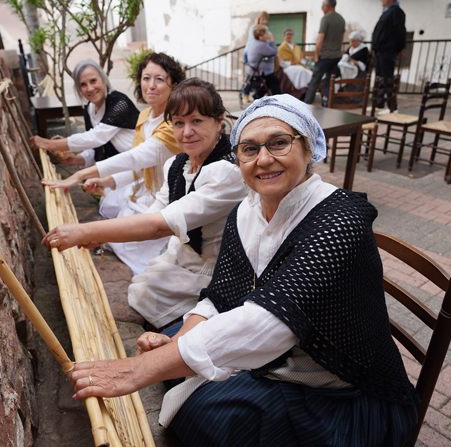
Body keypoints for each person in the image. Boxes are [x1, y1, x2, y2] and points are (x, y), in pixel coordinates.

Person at [67, 95, 420, 447]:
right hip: (284, 357)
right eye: (249, 149)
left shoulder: (340, 221)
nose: (263, 159)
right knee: (174, 350)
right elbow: (222, 294)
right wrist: (176, 342)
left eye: (279, 143)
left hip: (340, 390)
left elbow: (270, 324)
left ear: (309, 148)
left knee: (201, 411)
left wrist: (138, 371)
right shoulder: (246, 211)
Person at [42, 78, 248, 330]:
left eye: (197, 121)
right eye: (179, 123)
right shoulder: (177, 164)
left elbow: (159, 225)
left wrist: (87, 231)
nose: (186, 132)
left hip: (214, 267)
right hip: (181, 254)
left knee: (147, 299)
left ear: (218, 121)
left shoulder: (226, 172)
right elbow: (156, 211)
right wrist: (103, 235)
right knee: (141, 289)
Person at [43, 52, 185, 275]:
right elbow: (140, 168)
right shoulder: (145, 116)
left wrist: (80, 174)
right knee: (112, 209)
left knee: (141, 249)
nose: (151, 85)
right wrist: (108, 181)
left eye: (159, 79)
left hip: (166, 196)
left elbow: (134, 157)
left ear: (174, 85)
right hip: (144, 190)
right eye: (146, 78)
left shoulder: (173, 122)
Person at [29, 59, 140, 219]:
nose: (90, 88)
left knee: (123, 211)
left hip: (135, 168)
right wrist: (77, 160)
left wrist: (49, 144)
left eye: (93, 81)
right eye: (83, 84)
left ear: (103, 78)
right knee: (109, 208)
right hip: (114, 171)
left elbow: (97, 137)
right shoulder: (90, 109)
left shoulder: (119, 103)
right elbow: (96, 148)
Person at [304, 0, 346, 105]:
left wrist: (316, 56)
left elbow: (320, 39)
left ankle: (306, 105)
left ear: (327, 6)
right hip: (336, 55)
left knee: (314, 81)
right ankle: (328, 104)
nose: (322, 8)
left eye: (322, 6)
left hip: (325, 56)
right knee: (330, 82)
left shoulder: (326, 19)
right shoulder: (341, 19)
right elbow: (341, 39)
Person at [372, 0, 406, 107]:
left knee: (387, 78)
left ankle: (392, 106)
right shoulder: (387, 12)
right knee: (380, 78)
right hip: (381, 50)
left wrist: (400, 47)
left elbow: (400, 30)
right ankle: (379, 104)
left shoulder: (396, 11)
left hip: (388, 49)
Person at [245, 25, 282, 98]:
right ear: (260, 36)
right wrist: (272, 40)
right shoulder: (261, 45)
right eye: (266, 34)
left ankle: (258, 95)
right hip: (258, 70)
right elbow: (274, 51)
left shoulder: (255, 42)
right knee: (275, 81)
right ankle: (278, 99)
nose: (267, 36)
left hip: (254, 68)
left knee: (270, 81)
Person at [242, 12, 270, 103]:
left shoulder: (267, 29)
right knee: (250, 74)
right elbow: (256, 39)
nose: (264, 21)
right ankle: (245, 94)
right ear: (259, 19)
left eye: (265, 19)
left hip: (259, 53)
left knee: (258, 75)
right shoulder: (253, 28)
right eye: (262, 19)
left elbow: (267, 41)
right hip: (250, 53)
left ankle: (256, 95)